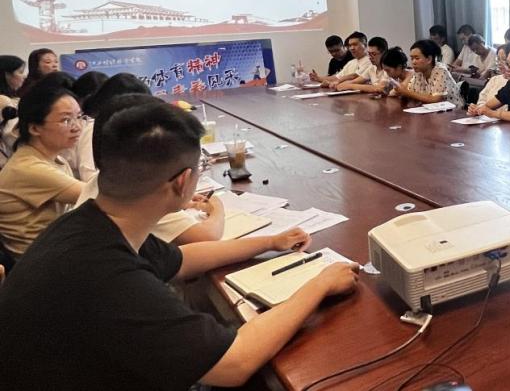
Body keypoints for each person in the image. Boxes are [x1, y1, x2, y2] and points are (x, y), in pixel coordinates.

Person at [0, 101, 359, 389]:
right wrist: (320, 284)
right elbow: (234, 364)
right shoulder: (106, 275)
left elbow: (183, 259)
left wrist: (270, 241)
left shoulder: (90, 222)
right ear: (183, 182)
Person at [75, 93, 226, 244]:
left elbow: (178, 256)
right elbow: (207, 237)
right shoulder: (145, 204)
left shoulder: (106, 190)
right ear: (181, 181)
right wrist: (217, 206)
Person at [0, 84, 84, 261]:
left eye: (79, 117)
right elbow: (100, 195)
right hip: (43, 263)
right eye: (66, 120)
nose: (77, 127)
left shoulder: (53, 158)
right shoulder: (29, 168)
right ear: (34, 128)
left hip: (57, 251)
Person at [395, 40, 464, 107]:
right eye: (412, 58)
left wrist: (407, 92)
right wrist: (402, 92)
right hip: (432, 110)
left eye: (417, 58)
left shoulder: (440, 70)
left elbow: (435, 99)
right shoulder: (418, 72)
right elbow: (413, 93)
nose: (413, 62)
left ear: (429, 59)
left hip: (453, 111)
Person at [476, 44, 510, 110]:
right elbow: (482, 99)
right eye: (498, 59)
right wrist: (479, 109)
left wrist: (490, 112)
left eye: (504, 59)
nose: (500, 63)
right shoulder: (494, 79)